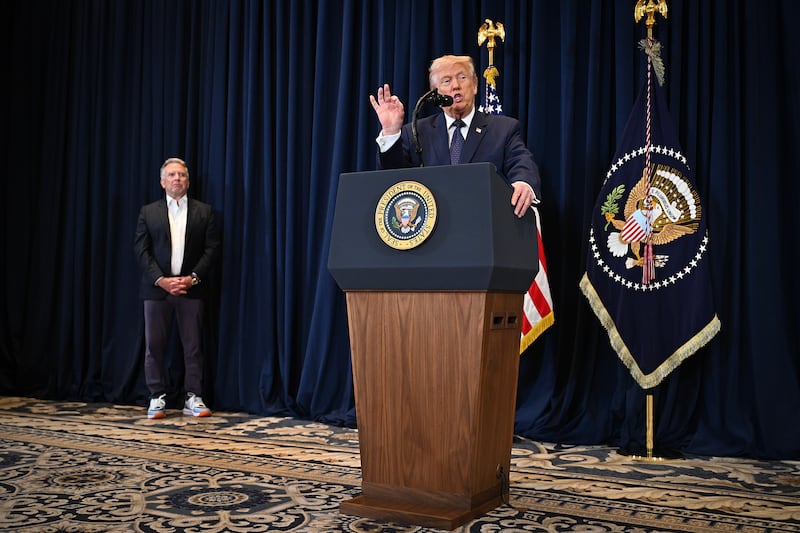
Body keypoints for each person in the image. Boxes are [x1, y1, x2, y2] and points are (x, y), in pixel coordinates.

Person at [369, 54, 541, 217]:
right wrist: (391, 131)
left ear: (474, 86)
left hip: (483, 223)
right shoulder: (416, 131)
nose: (455, 86)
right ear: (435, 94)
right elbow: (393, 179)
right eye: (446, 80)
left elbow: (521, 160)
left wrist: (523, 183)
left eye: (462, 77)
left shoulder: (503, 128)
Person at [134, 157, 221, 419]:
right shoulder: (148, 212)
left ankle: (193, 397)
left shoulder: (204, 212)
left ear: (188, 181)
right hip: (156, 291)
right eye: (171, 175)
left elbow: (212, 249)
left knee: (193, 346)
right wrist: (160, 279)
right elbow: (141, 250)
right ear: (162, 182)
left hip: (190, 290)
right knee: (155, 346)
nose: (177, 179)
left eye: (182, 175)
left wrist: (192, 278)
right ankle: (156, 396)